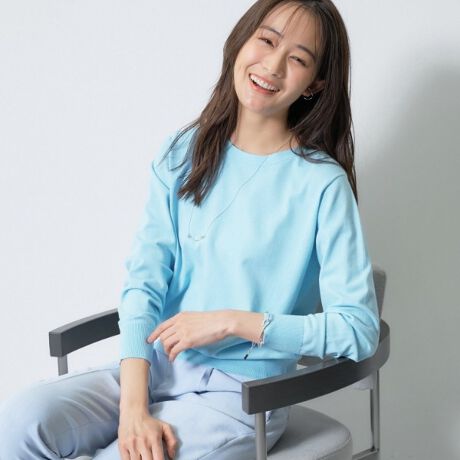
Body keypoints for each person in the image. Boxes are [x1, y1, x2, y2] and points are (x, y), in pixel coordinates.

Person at [0, 0, 381, 459]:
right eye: (266, 40)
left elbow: (358, 329)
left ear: (315, 84)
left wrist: (233, 322)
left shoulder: (322, 185)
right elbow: (144, 283)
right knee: (17, 424)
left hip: (242, 397)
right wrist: (133, 409)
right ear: (242, 39)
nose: (273, 65)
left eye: (298, 59)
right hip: (156, 369)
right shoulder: (184, 151)